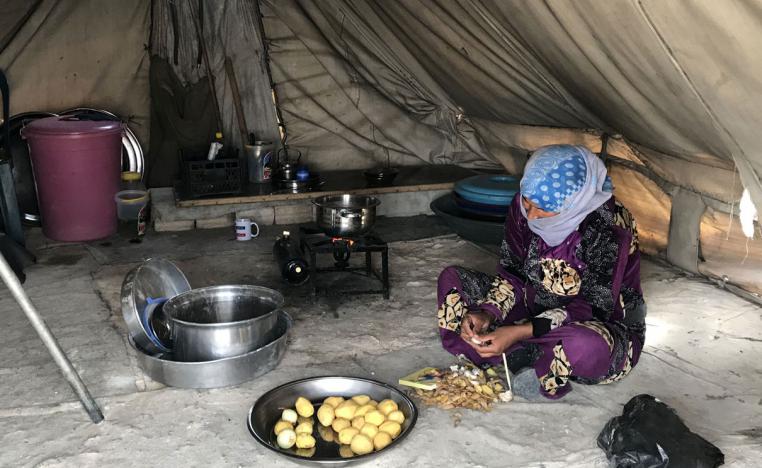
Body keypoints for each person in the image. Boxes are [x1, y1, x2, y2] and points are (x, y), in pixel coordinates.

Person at [436, 144, 645, 400]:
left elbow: (594, 307)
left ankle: (520, 353)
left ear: (573, 202)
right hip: (532, 302)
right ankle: (512, 352)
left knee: (584, 345)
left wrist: (519, 331)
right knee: (453, 280)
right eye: (527, 201)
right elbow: (512, 272)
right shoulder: (524, 206)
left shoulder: (608, 225)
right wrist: (488, 312)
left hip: (596, 321)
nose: (531, 216)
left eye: (544, 208)